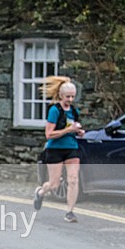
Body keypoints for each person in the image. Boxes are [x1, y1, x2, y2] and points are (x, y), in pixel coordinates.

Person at [32, 76, 85, 223]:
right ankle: (41, 192)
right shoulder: (54, 110)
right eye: (68, 96)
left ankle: (70, 212)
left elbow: (73, 129)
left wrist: (79, 132)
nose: (70, 99)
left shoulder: (74, 111)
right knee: (54, 184)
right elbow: (49, 134)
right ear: (61, 95)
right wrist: (68, 130)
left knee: (73, 180)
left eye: (73, 96)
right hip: (55, 149)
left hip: (72, 148)